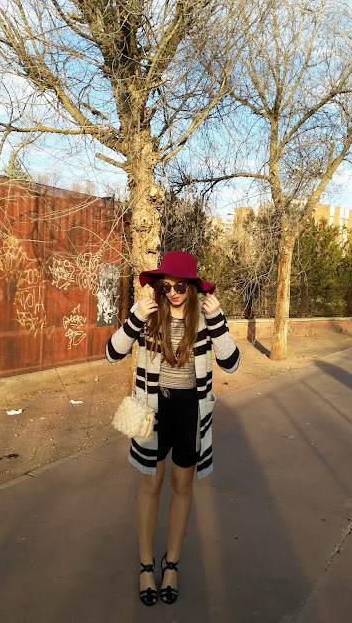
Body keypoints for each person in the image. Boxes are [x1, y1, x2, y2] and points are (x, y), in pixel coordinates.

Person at [106, 251, 240, 606]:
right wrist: (134, 317)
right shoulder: (149, 317)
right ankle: (146, 565)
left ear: (192, 287)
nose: (173, 293)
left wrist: (218, 320)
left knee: (182, 486)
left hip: (190, 412)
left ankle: (172, 565)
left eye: (180, 286)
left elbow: (231, 363)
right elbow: (112, 353)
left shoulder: (205, 319)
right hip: (153, 410)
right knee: (150, 484)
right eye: (166, 287)